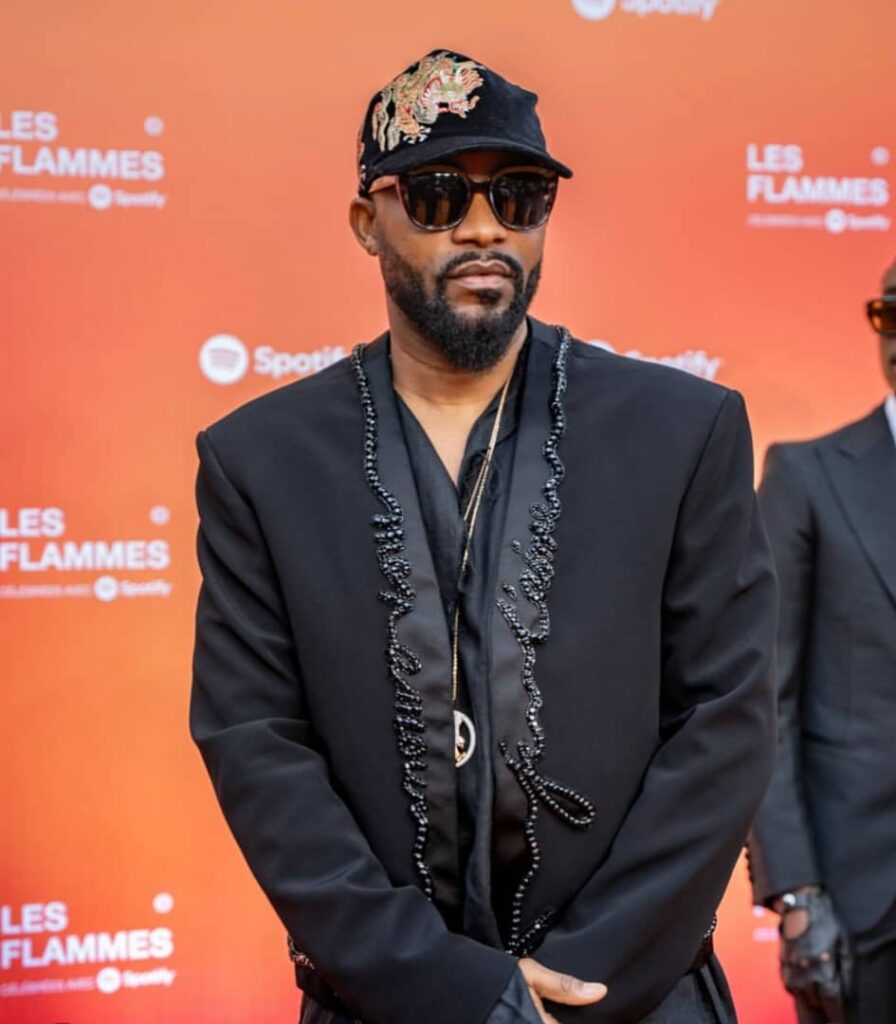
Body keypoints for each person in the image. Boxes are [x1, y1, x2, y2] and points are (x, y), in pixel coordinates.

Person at [190, 49, 777, 1024]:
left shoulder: (681, 431)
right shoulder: (262, 460)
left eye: (518, 197)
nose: (481, 228)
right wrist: (447, 988)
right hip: (382, 1003)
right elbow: (258, 747)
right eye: (434, 197)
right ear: (365, 223)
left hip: (636, 999)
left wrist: (577, 988)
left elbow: (725, 721)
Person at [747, 260, 896, 1024]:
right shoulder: (807, 477)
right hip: (865, 903)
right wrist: (797, 893)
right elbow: (761, 699)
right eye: (890, 315)